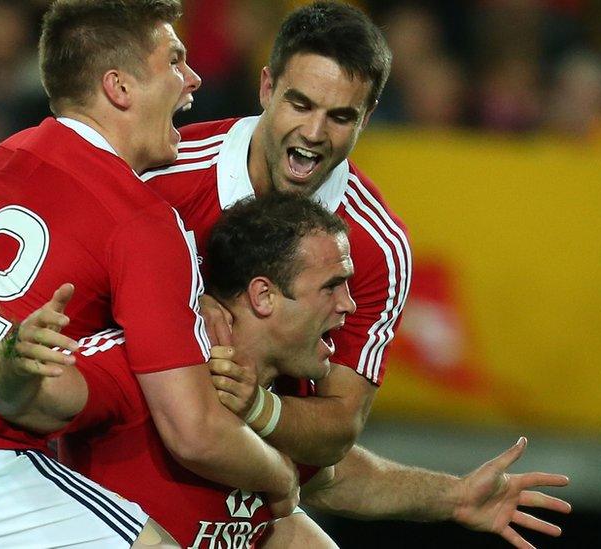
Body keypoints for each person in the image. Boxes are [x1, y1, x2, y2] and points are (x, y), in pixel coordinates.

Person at [0, 1, 297, 547]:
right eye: (174, 60)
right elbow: (194, 431)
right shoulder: (139, 216)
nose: (193, 79)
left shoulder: (3, 157)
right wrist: (280, 478)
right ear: (118, 87)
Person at [0, 193, 571, 549]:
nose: (348, 306)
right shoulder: (160, 365)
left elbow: (334, 475)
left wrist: (455, 497)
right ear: (263, 297)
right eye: (331, 287)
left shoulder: (284, 401)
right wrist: (12, 359)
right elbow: (33, 398)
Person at [143, 0, 407, 470]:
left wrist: (256, 406)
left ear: (367, 118)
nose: (314, 132)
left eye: (341, 117)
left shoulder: (377, 247)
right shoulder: (162, 180)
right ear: (267, 87)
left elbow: (339, 428)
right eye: (299, 104)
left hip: (260, 486)